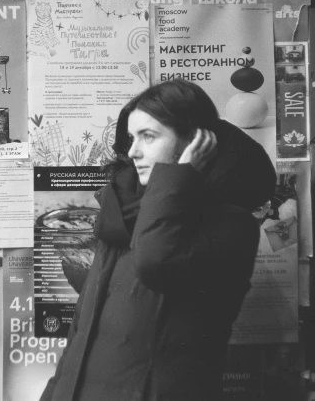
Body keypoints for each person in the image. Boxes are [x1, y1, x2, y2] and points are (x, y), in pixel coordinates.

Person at [40, 79, 276, 401]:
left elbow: (156, 262)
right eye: (131, 138)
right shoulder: (121, 218)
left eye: (148, 136)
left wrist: (181, 176)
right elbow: (79, 334)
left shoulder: (232, 224)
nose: (133, 151)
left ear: (194, 141)